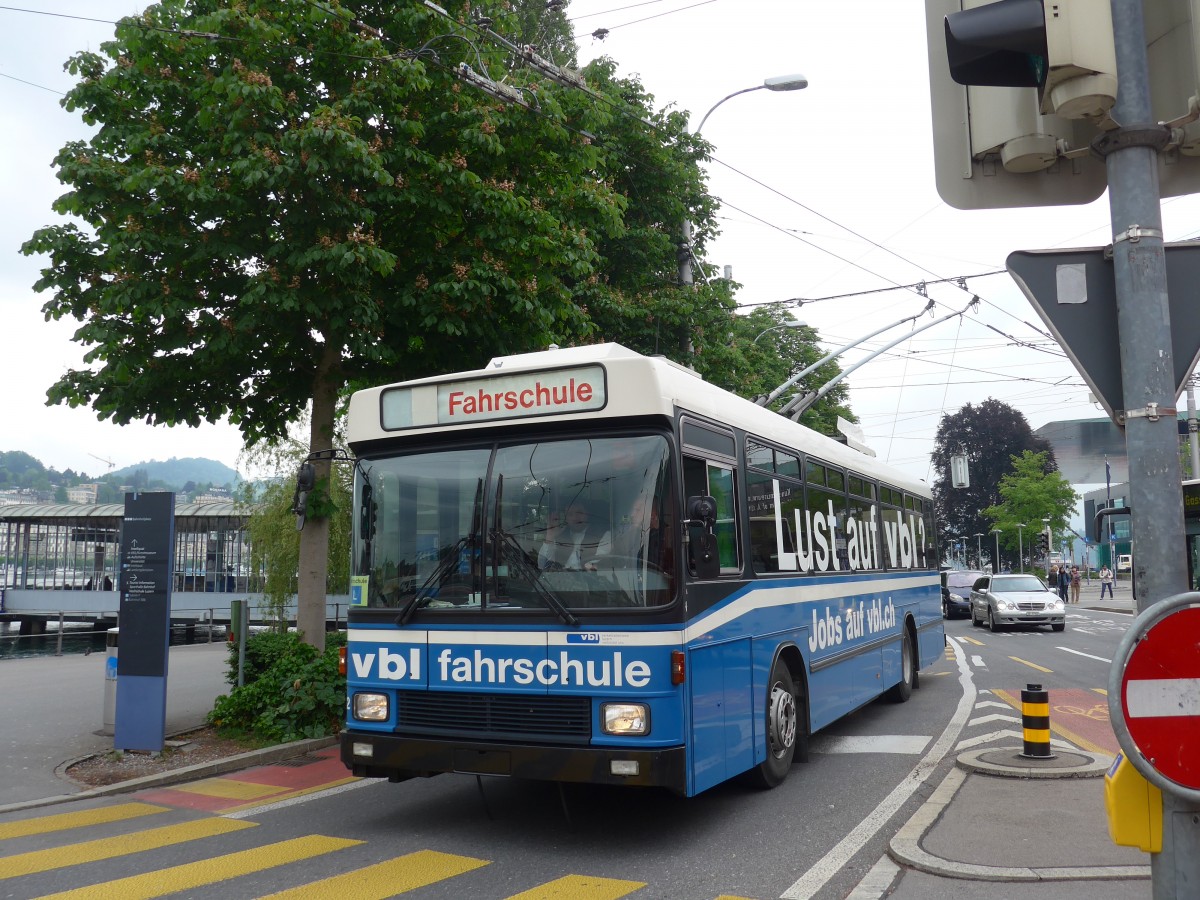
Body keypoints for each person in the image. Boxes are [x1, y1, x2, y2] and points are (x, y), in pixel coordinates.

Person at [538, 500, 610, 571]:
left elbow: (598, 563)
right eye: (570, 514)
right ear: (566, 518)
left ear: (587, 514)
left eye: (579, 513)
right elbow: (542, 565)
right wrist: (550, 537)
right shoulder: (560, 536)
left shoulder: (603, 534)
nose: (575, 518)